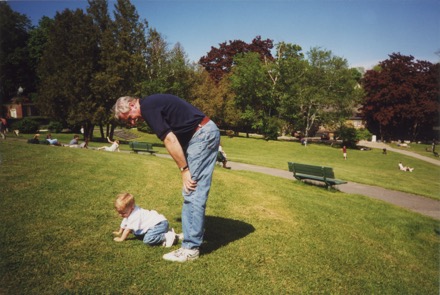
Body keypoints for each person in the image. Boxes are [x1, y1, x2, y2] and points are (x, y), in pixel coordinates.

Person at [113, 94, 220, 262]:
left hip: (201, 136)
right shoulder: (151, 103)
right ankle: (192, 236)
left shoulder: (147, 107)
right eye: (128, 122)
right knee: (192, 191)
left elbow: (169, 139)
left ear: (132, 105)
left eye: (129, 119)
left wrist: (184, 169)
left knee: (193, 190)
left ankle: (190, 248)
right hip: (202, 134)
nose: (132, 123)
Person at [113, 193, 179, 247]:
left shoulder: (135, 215)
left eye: (123, 213)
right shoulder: (130, 211)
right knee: (137, 233)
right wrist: (120, 232)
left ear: (132, 208)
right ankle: (164, 232)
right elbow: (125, 222)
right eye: (119, 213)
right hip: (158, 224)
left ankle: (168, 236)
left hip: (159, 224)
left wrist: (121, 239)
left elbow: (127, 229)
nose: (121, 215)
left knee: (147, 240)